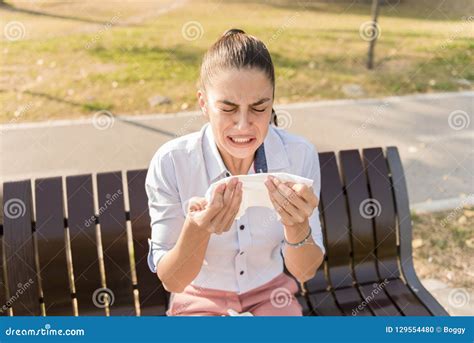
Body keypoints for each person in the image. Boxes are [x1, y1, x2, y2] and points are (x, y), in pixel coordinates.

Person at [145, 28, 325, 316]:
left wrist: (297, 225)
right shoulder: (171, 162)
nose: (243, 125)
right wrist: (198, 230)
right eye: (228, 109)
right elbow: (173, 280)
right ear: (203, 103)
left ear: (272, 103)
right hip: (198, 298)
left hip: (271, 294)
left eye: (259, 107)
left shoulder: (298, 155)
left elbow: (304, 272)